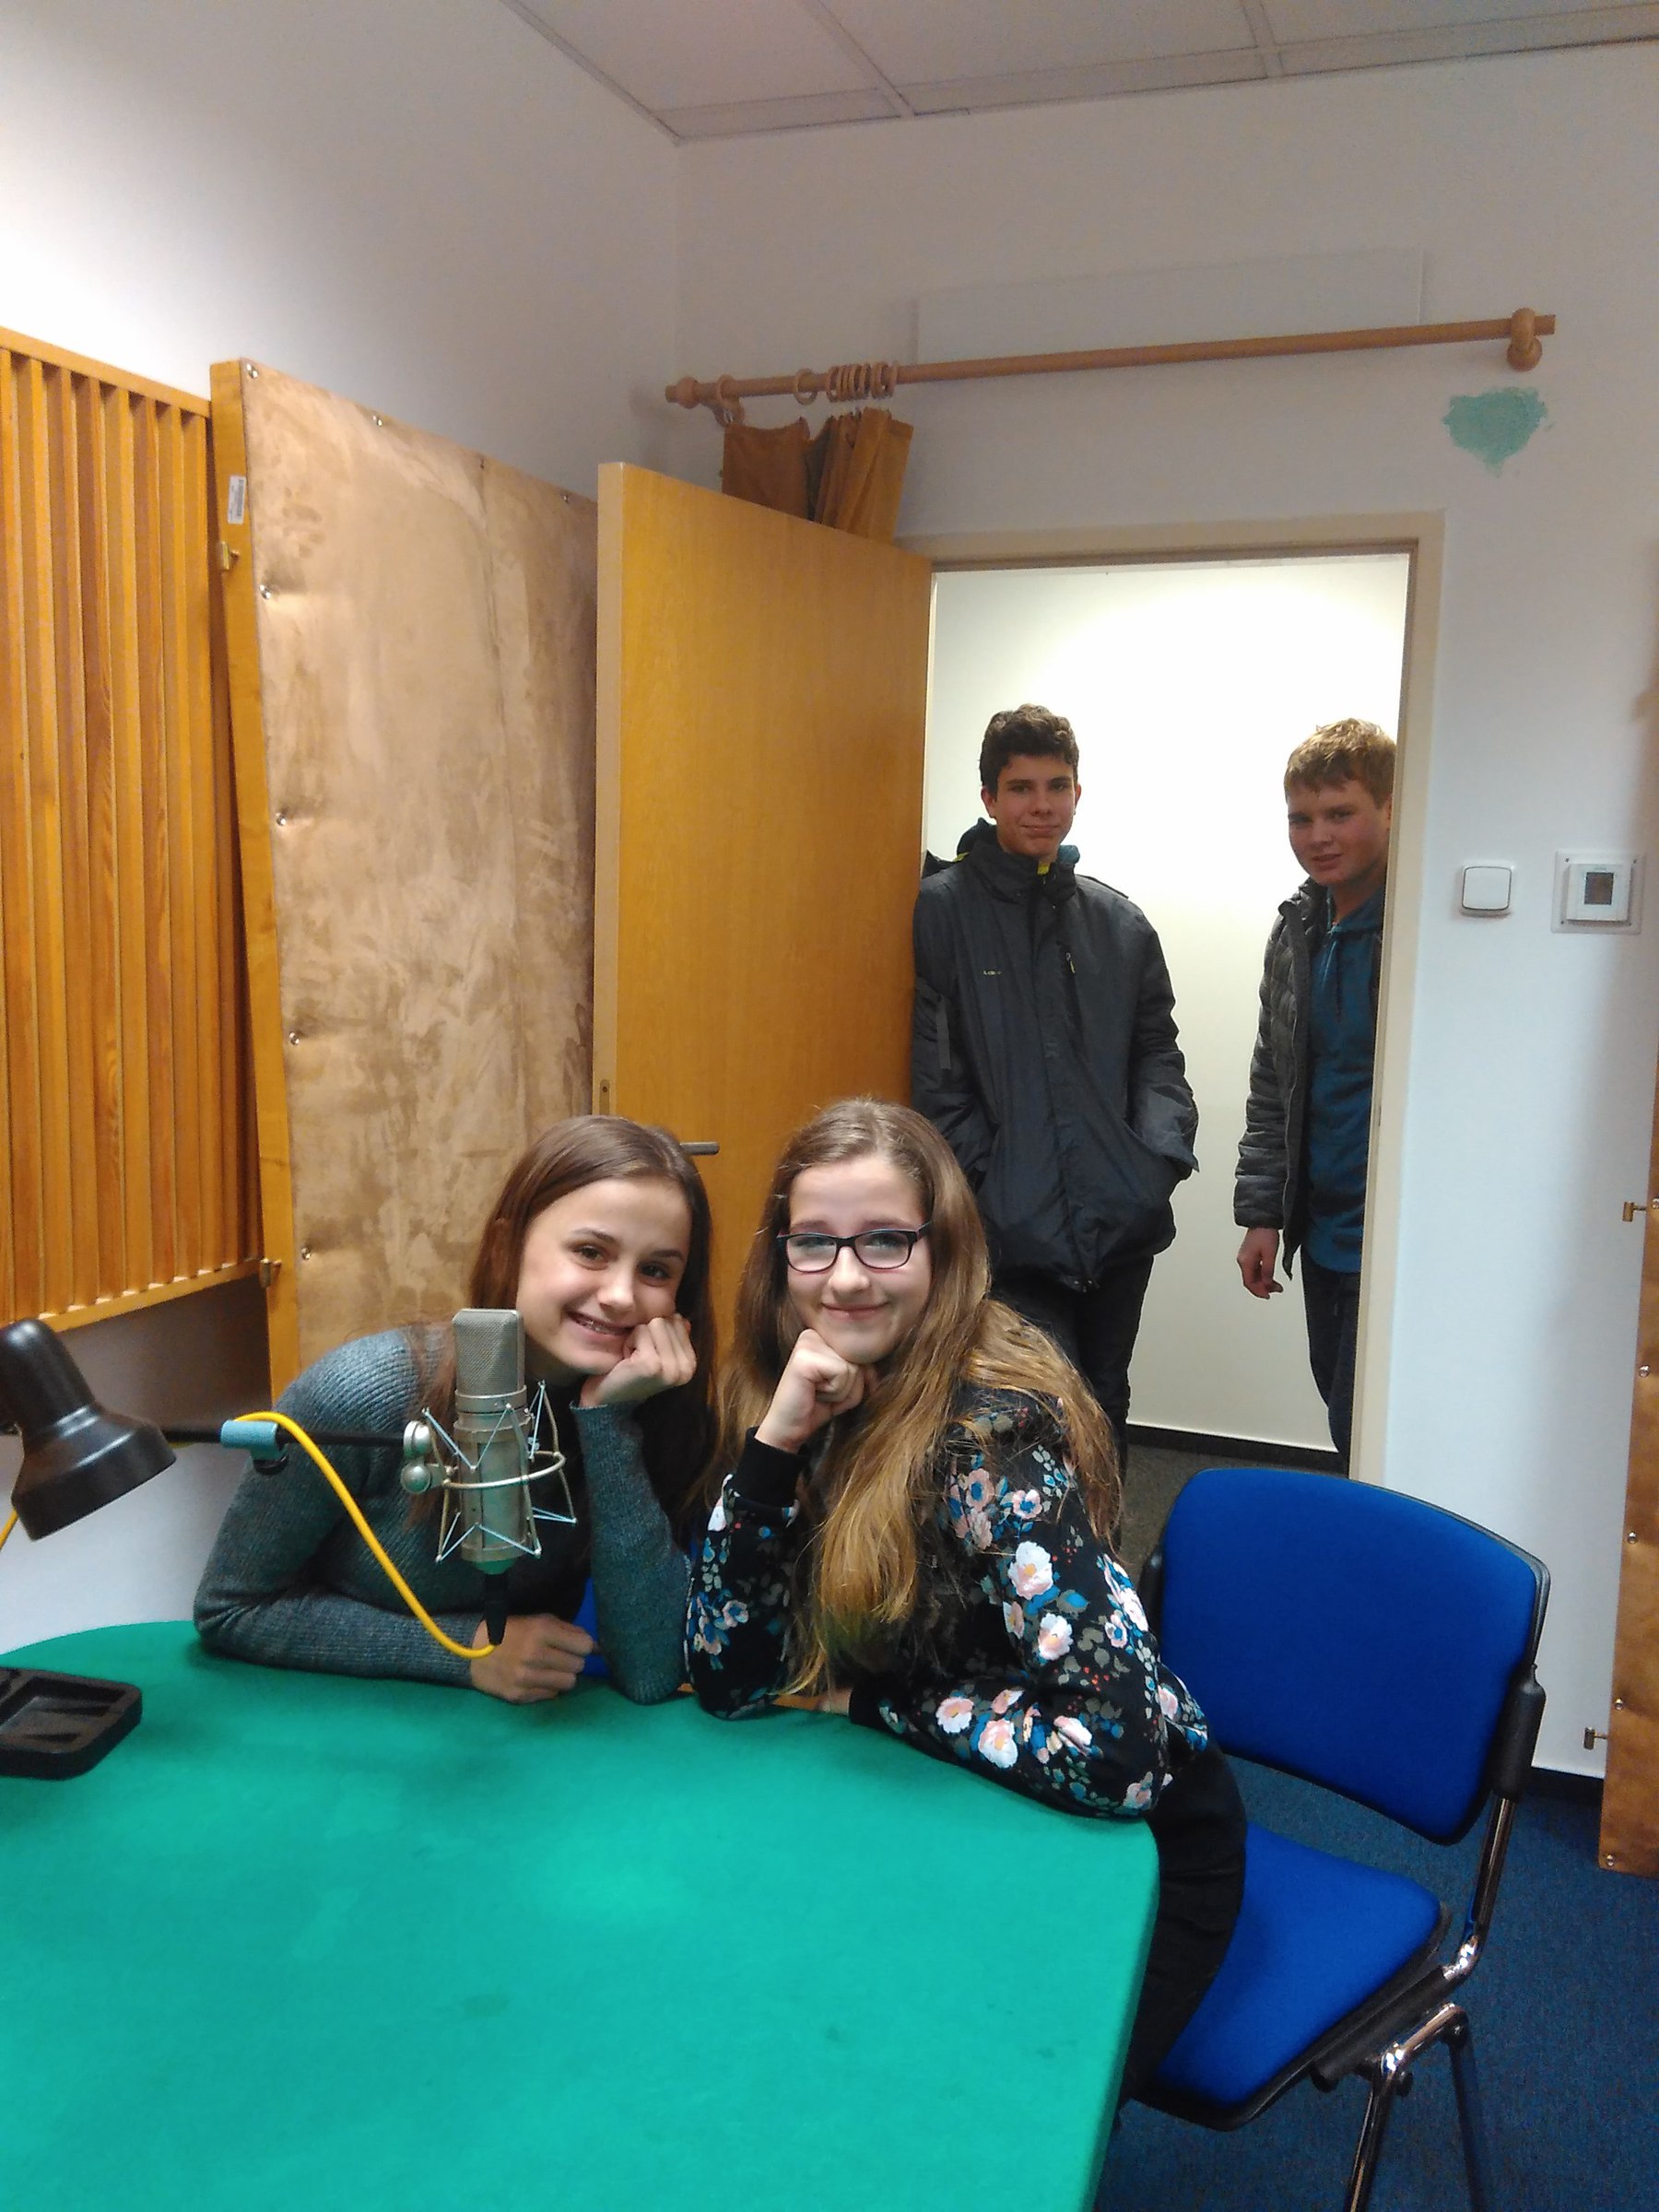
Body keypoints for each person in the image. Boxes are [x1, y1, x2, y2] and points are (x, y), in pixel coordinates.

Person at [686, 1099, 1244, 2108]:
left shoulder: (991, 1443)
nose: (845, 1278)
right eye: (814, 1242)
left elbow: (1118, 1757)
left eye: (884, 1240)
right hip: (949, 1796)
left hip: (1134, 1850)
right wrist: (775, 1447)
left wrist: (870, 1705)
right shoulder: (800, 1385)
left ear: (942, 1253)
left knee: (988, 2112)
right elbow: (731, 1679)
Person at [195, 1116, 713, 1702]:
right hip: (341, 1720)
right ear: (507, 1246)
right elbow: (230, 1609)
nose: (620, 1296)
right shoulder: (361, 1392)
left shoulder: (652, 1409)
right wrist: (463, 1651)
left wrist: (608, 1424)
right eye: (591, 1252)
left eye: (655, 1270)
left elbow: (650, 1673)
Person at [912, 703, 1197, 1471]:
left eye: (1056, 786)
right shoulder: (944, 910)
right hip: (1012, 1231)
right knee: (1028, 1411)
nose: (1041, 805)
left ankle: (1103, 1545)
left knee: (1106, 1397)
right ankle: (1037, 1551)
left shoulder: (1119, 922)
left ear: (1078, 793)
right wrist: (988, 1183)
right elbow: (937, 1075)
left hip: (1119, 1219)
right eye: (1021, 788)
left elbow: (1157, 1053)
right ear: (989, 798)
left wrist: (1154, 1160)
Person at [1234, 719, 1394, 1467]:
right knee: (1342, 1416)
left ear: (1391, 808)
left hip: (1389, 1236)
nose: (1318, 836)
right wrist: (1262, 1214)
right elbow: (1273, 1082)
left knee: (1370, 1430)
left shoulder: (1416, 928)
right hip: (1322, 1232)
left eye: (1340, 813)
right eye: (1302, 818)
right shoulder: (1297, 928)